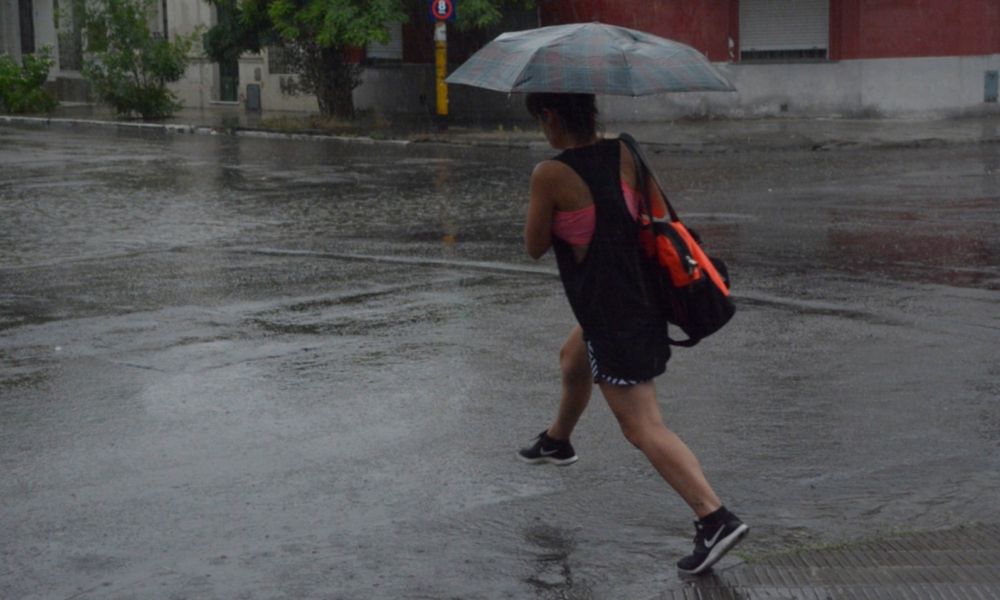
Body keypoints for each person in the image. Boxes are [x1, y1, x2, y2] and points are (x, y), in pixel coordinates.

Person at [516, 92, 748, 575]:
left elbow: (534, 245)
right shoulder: (626, 150)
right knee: (573, 358)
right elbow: (654, 214)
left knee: (642, 427)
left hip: (613, 313)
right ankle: (559, 440)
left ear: (550, 116)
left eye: (540, 119)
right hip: (642, 294)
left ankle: (714, 516)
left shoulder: (551, 174)